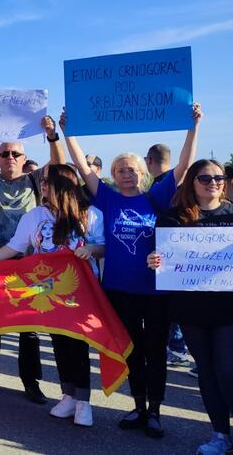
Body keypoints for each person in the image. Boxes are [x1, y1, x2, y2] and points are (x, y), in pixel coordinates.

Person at [63, 104, 201, 437]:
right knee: (132, 352)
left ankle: (155, 411)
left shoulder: (156, 197)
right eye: (121, 170)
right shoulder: (108, 199)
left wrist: (192, 127)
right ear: (115, 174)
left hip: (155, 291)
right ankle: (138, 406)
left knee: (156, 352)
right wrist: (69, 132)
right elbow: (83, 168)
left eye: (132, 169)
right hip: (119, 291)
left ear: (142, 172)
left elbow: (182, 168)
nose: (127, 174)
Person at [0, 164, 105, 427]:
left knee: (78, 345)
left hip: (79, 292)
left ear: (65, 184)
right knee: (59, 342)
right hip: (46, 291)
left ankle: (84, 401)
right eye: (43, 182)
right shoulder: (34, 216)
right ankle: (68, 396)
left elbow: (104, 247)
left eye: (49, 181)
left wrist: (92, 248)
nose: (44, 185)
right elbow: (15, 246)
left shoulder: (90, 214)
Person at [0, 111, 64, 404]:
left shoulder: (33, 181)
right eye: (4, 153)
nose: (9, 157)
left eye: (15, 153)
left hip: (30, 265)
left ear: (23, 156)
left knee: (28, 329)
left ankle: (31, 382)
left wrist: (52, 135)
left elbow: (57, 164)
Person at [148, 159, 233, 455]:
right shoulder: (173, 219)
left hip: (228, 308)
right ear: (192, 182)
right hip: (191, 308)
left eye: (219, 177)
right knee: (207, 373)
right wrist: (154, 261)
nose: (214, 182)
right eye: (206, 177)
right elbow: (160, 258)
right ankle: (221, 434)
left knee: (227, 370)